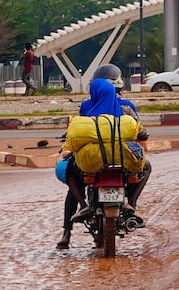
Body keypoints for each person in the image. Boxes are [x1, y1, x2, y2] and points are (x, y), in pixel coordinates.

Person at [56, 70, 151, 249]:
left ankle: (68, 231)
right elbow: (139, 131)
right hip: (121, 159)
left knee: (71, 175)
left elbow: (79, 132)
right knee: (144, 166)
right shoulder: (126, 108)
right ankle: (131, 203)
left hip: (93, 161)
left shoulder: (86, 107)